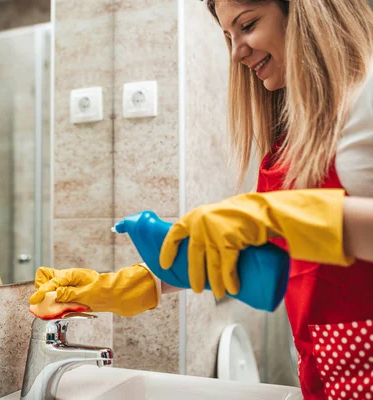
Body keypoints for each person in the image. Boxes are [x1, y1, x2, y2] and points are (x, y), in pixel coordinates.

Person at [30, 1, 373, 398]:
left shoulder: (365, 97)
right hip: (329, 378)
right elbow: (251, 253)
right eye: (228, 35)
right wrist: (127, 285)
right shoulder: (289, 140)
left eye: (248, 25)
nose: (236, 52)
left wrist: (279, 215)